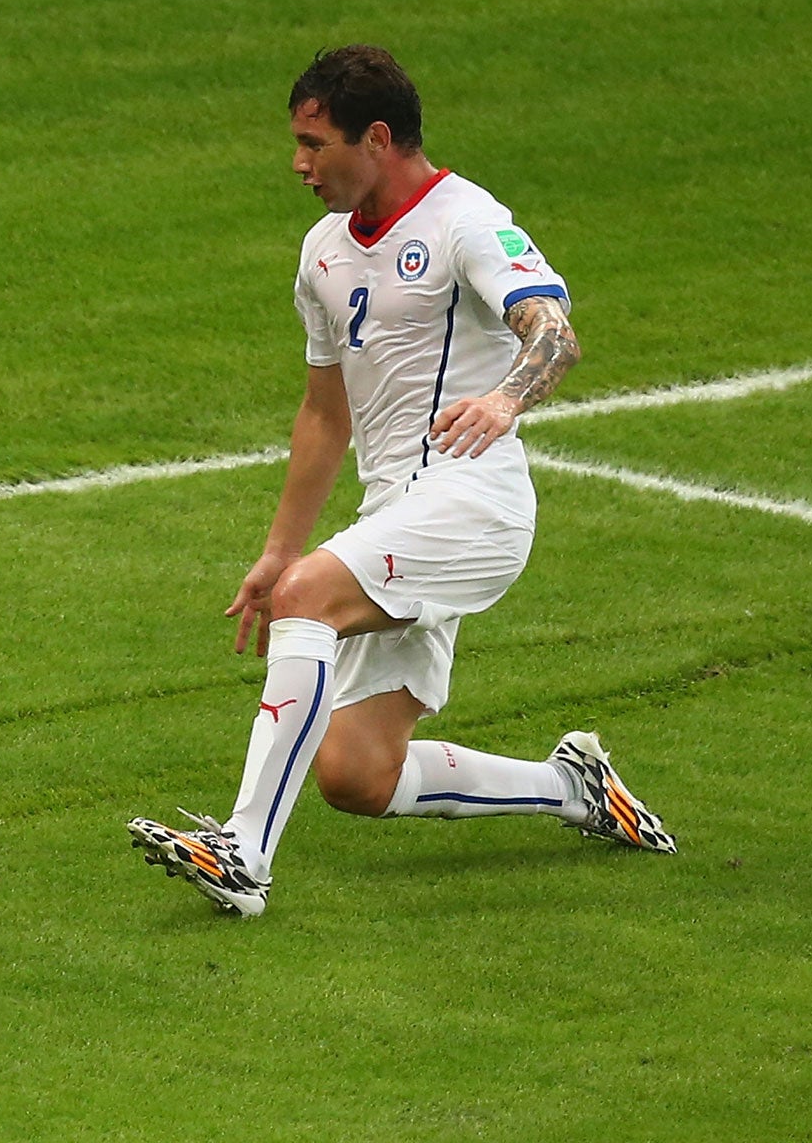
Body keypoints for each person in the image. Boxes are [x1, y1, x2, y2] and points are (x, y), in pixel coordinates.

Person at [129, 46, 674, 918]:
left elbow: (554, 334)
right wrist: (279, 550)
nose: (299, 163)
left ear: (377, 137)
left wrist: (504, 398)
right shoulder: (322, 253)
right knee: (356, 772)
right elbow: (323, 415)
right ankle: (575, 788)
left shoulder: (467, 219)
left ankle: (242, 854)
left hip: (473, 502)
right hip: (395, 510)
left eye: (315, 143)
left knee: (311, 600)